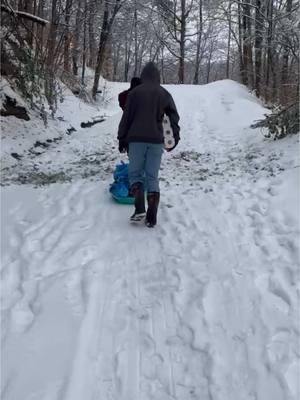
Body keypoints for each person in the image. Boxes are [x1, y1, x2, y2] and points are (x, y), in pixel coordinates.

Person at [117, 62, 180, 227]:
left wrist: (121, 138)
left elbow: (126, 118)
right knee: (152, 176)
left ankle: (139, 209)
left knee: (135, 174)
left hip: (135, 140)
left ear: (143, 76)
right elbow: (174, 117)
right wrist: (175, 138)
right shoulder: (164, 93)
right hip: (156, 141)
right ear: (157, 76)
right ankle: (152, 215)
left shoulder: (135, 93)